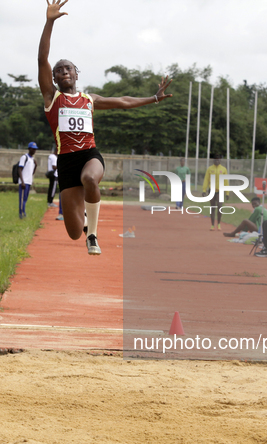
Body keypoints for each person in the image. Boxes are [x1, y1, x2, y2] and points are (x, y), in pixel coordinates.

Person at [38, 0, 172, 255]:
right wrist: (50, 22)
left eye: (68, 68)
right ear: (54, 78)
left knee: (90, 178)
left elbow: (123, 101)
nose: (64, 71)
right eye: (59, 70)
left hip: (90, 155)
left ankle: (94, 235)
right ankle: (85, 227)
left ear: (77, 74)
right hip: (66, 161)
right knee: (73, 231)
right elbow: (42, 58)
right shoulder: (51, 98)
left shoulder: (90, 100)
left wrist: (153, 98)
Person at [202, 155, 228, 231]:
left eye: (218, 160)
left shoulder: (223, 169)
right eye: (215, 160)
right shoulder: (210, 169)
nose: (217, 161)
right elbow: (206, 179)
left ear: (220, 160)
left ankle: (219, 224)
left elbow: (226, 181)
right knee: (213, 207)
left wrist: (227, 193)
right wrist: (204, 190)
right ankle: (212, 225)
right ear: (213, 161)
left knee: (220, 207)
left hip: (220, 190)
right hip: (212, 190)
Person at [18, 142, 38, 219]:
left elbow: (31, 172)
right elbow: (20, 169)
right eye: (33, 149)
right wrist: (22, 181)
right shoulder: (24, 157)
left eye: (35, 149)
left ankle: (23, 211)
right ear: (29, 149)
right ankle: (21, 213)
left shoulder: (32, 159)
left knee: (25, 198)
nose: (34, 151)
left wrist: (36, 166)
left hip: (28, 182)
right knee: (22, 198)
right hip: (24, 182)